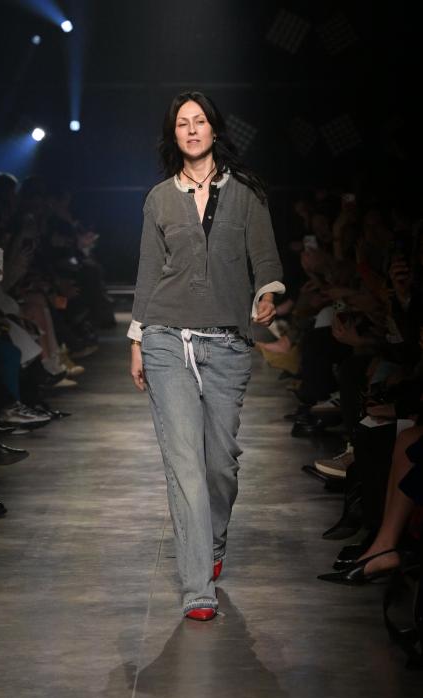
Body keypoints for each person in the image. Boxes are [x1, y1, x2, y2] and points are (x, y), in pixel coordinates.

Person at [128, 92, 284, 621]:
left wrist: (266, 293)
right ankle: (198, 586)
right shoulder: (158, 199)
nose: (192, 130)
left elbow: (265, 258)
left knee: (220, 465)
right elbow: (148, 272)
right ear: (172, 136)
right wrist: (137, 340)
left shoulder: (247, 193)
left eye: (199, 121)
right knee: (185, 464)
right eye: (182, 123)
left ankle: (213, 540)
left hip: (227, 342)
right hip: (165, 337)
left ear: (215, 130)